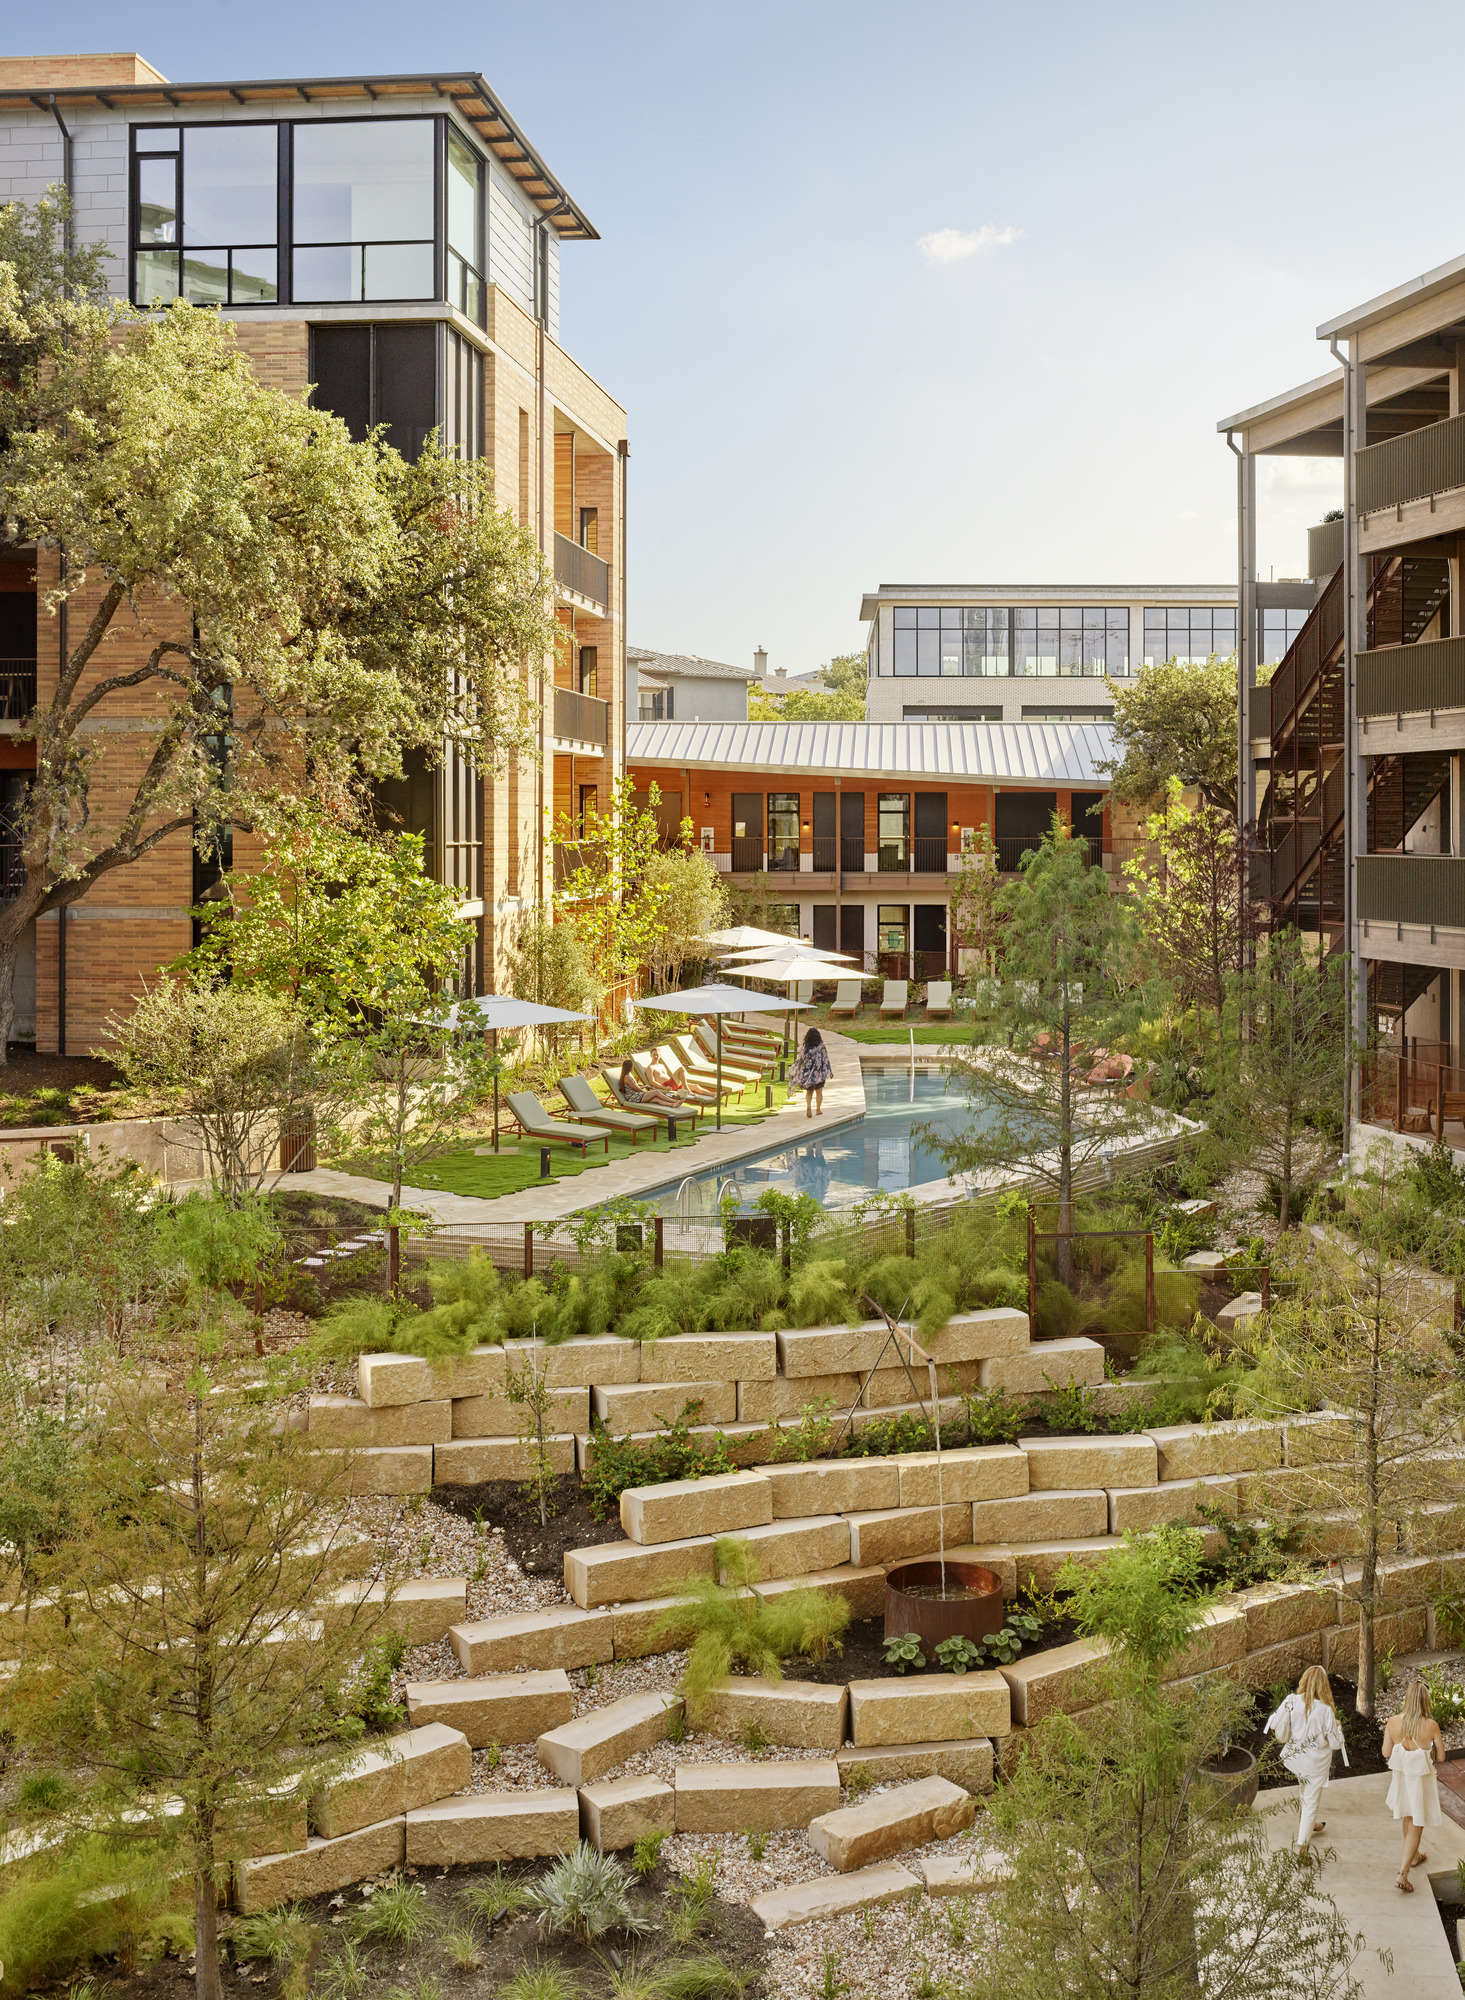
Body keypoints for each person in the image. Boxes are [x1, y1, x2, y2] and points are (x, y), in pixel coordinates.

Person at [1267, 1665, 1348, 1862]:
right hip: (1314, 1765)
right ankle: (1301, 1852)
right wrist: (1340, 1729)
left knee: (1305, 1792)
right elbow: (1336, 1744)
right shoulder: (1326, 1711)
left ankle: (1310, 1824)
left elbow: (1277, 1723)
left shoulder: (1292, 1700)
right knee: (1311, 1802)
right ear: (1324, 1686)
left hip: (1295, 1759)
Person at [1383, 1681, 1444, 1891]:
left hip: (1401, 1780)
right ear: (1425, 1701)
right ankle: (1402, 1873)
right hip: (1420, 1782)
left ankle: (1415, 1856)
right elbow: (1442, 1756)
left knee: (1408, 1818)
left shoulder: (1392, 1722)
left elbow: (1386, 1752)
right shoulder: (1431, 1725)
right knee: (1417, 1824)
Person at [789, 1026, 833, 1118]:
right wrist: (829, 1071)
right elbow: (825, 1060)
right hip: (819, 1073)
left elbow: (800, 1059)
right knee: (819, 1091)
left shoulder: (805, 1047)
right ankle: (818, 1110)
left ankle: (809, 1106)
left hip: (808, 1074)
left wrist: (799, 1071)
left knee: (809, 1092)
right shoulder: (821, 1047)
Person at [618, 1058, 682, 1110]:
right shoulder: (627, 1077)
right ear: (629, 1067)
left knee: (656, 1100)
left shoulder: (627, 1076)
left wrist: (644, 1086)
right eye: (632, 1065)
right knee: (656, 1092)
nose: (633, 1067)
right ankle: (674, 1101)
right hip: (634, 1098)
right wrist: (644, 1092)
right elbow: (635, 1088)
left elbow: (634, 1087)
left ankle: (672, 1105)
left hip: (635, 1096)